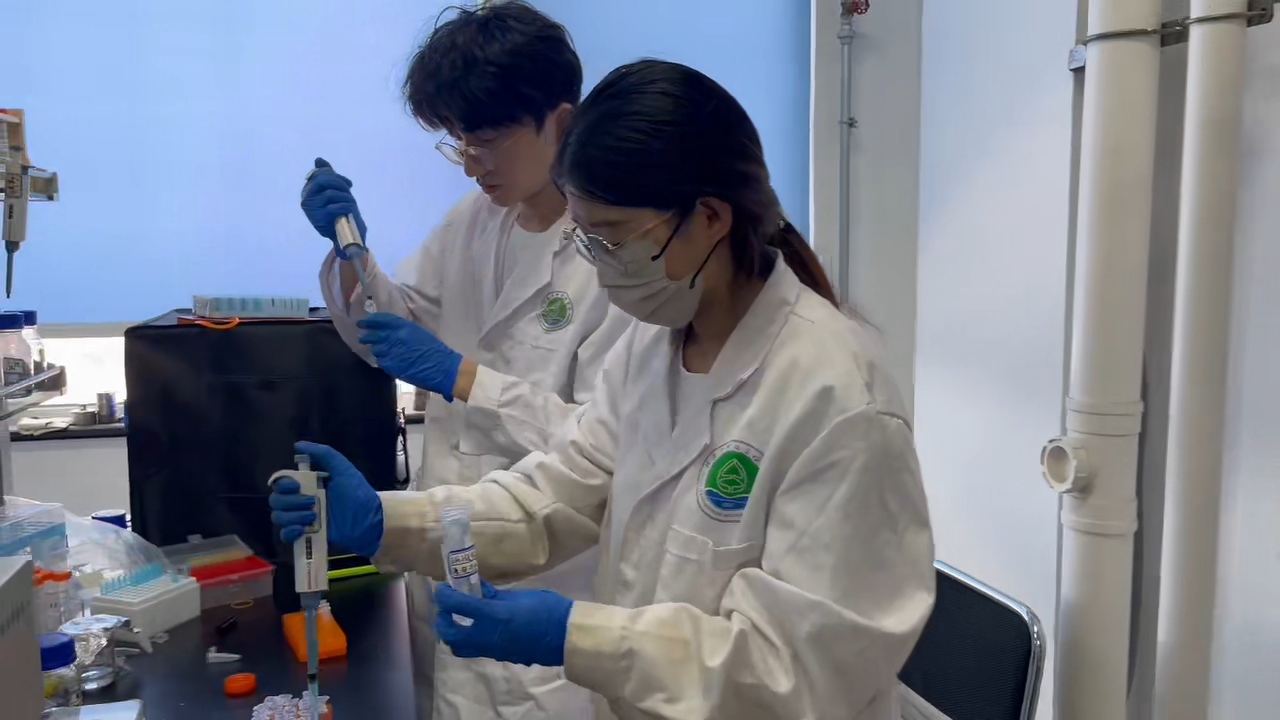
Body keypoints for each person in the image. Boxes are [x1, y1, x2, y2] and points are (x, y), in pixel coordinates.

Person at [277, 59, 935, 720]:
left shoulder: (838, 399)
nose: (601, 268)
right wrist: (388, 520)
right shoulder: (653, 348)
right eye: (588, 242)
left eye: (614, 239)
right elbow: (555, 495)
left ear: (709, 217)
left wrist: (575, 637)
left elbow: (795, 670)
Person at [296, 4, 628, 719]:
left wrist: (465, 378)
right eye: (457, 142)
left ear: (562, 122)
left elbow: (606, 447)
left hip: (548, 576)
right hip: (444, 554)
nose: (472, 163)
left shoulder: (616, 256)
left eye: (487, 140)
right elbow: (392, 331)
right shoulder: (472, 221)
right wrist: (351, 253)